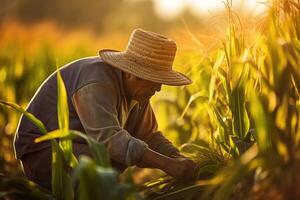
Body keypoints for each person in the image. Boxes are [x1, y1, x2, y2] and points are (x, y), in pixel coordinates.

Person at [14, 28, 197, 191]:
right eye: (153, 81)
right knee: (105, 184)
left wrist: (178, 158)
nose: (158, 89)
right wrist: (167, 165)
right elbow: (109, 139)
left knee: (108, 178)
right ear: (132, 73)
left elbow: (150, 135)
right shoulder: (97, 82)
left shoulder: (139, 92)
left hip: (84, 150)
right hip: (45, 151)